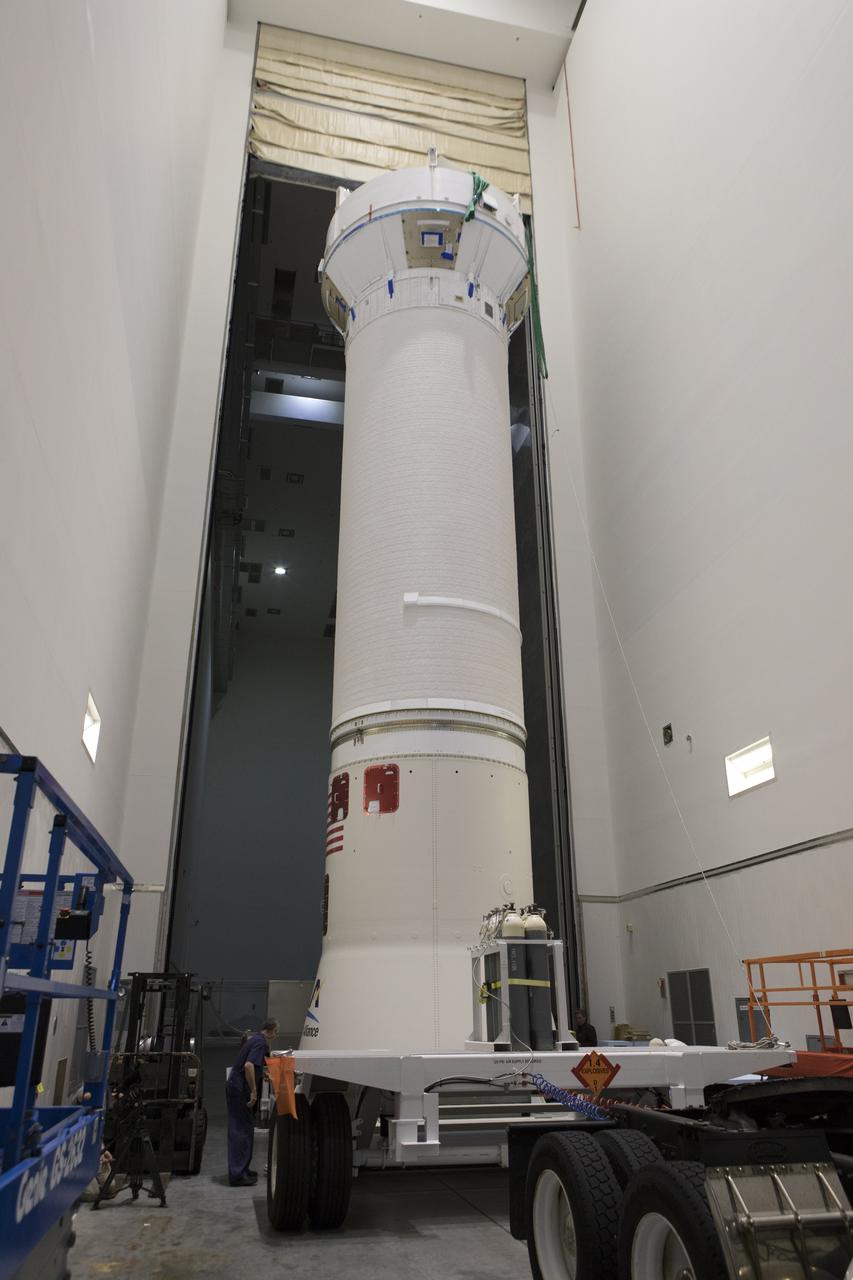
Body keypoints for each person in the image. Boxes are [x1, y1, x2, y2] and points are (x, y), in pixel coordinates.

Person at [225, 1018, 278, 1186]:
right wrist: (254, 1090)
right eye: (276, 1032)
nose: (275, 1035)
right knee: (241, 1130)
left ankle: (243, 1170)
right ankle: (237, 1175)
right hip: (240, 1090)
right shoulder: (261, 1042)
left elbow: (253, 1066)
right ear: (271, 1030)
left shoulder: (255, 1039)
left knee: (245, 1128)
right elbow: (248, 1066)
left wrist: (264, 1074)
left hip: (236, 1087)